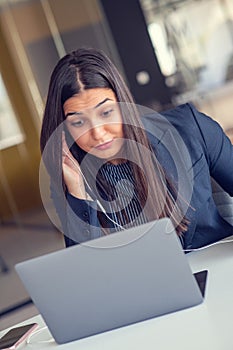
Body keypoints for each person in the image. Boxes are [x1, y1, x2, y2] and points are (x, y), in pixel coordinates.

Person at [40, 47, 233, 251]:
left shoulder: (191, 129)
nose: (97, 133)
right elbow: (88, 268)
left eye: (106, 112)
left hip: (213, 264)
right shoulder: (71, 179)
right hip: (142, 281)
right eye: (78, 122)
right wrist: (78, 194)